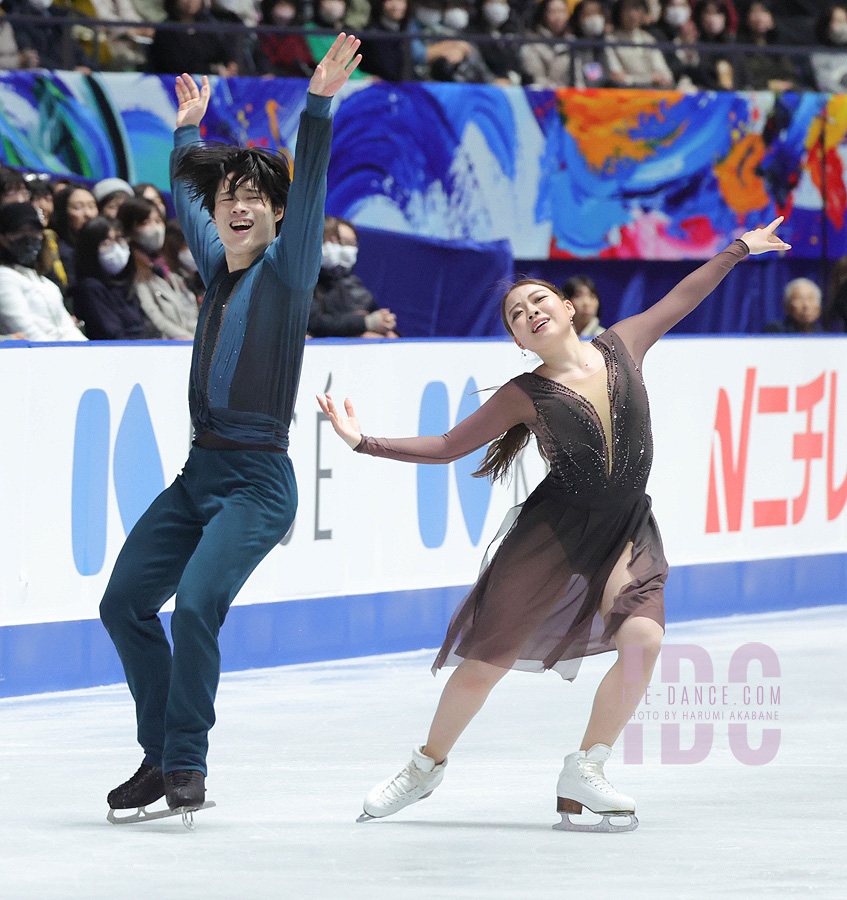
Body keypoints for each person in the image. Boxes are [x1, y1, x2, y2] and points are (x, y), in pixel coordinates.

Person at [318, 217, 790, 831]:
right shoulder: (524, 393)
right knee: (484, 662)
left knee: (644, 640)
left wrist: (738, 250)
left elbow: (682, 296)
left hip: (626, 525)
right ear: (518, 339)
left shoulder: (623, 345)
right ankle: (424, 767)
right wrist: (363, 442)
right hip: (554, 534)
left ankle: (587, 768)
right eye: (517, 313)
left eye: (539, 299)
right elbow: (447, 445)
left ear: (569, 309)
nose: (530, 310)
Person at [99, 35, 362, 823]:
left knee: (198, 605)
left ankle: (186, 762)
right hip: (197, 478)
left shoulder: (288, 268)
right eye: (227, 198)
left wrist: (315, 108)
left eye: (253, 196)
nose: (236, 206)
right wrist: (186, 136)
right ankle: (158, 752)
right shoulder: (218, 265)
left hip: (255, 484)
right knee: (123, 605)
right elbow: (186, 202)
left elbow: (307, 179)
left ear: (279, 214)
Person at [0, 202, 86, 341]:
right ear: (3, 238)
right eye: (19, 231)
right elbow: (26, 332)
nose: (28, 236)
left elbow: (68, 330)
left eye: (34, 230)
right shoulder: (4, 278)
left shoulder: (46, 283)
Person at [117, 196, 199, 339]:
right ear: (130, 228)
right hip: (166, 347)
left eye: (158, 220)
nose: (156, 228)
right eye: (146, 222)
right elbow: (154, 317)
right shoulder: (132, 269)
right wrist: (186, 338)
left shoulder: (167, 267)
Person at [308, 216, 397, 338]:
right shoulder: (305, 283)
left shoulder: (352, 284)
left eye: (350, 244)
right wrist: (364, 323)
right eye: (338, 242)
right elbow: (315, 323)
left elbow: (373, 318)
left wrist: (387, 325)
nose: (341, 249)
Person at [69, 216, 151, 340]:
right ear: (90, 249)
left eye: (119, 239)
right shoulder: (90, 288)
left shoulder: (125, 284)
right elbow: (113, 335)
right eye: (106, 242)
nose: (116, 247)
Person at [605, 0, 675, 88]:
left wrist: (662, 79)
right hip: (627, 93)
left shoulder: (648, 39)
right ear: (619, 12)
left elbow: (664, 73)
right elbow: (617, 76)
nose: (632, 14)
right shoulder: (610, 40)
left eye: (636, 9)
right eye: (627, 9)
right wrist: (649, 79)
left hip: (653, 92)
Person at [50, 184, 99, 291]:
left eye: (92, 206)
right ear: (63, 212)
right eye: (78, 207)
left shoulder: (102, 249)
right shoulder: (61, 253)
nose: (88, 214)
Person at [810, 4, 847, 94]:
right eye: (838, 21)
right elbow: (825, 84)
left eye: (845, 21)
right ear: (827, 24)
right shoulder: (819, 55)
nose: (843, 26)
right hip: (836, 100)